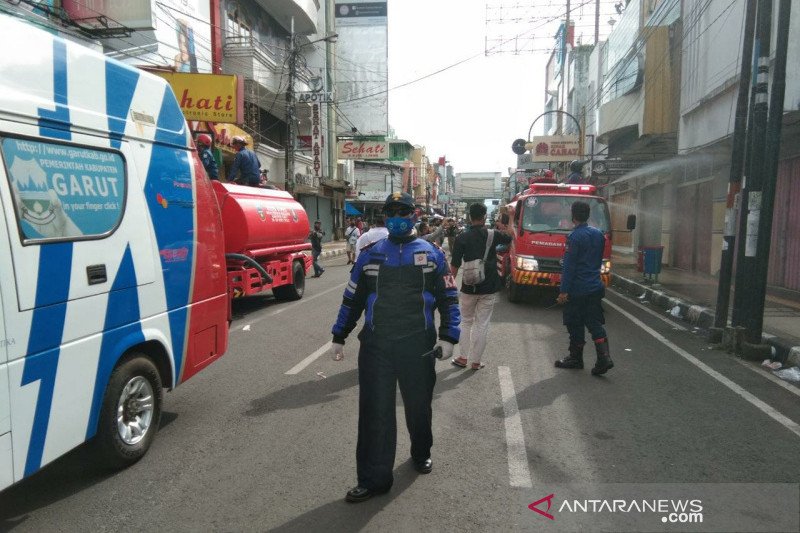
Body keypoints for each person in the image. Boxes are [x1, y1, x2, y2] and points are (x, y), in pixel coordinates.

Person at [330, 191, 461, 503]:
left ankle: (420, 452)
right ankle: (374, 479)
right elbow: (353, 299)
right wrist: (339, 335)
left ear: (414, 215)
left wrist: (449, 336)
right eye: (391, 213)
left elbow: (448, 299)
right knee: (375, 413)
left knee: (418, 407)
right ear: (385, 218)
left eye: (403, 212)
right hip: (377, 347)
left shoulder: (431, 253)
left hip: (419, 346)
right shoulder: (371, 254)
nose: (397, 218)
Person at [449, 202, 512, 370]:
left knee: (466, 322)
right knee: (482, 324)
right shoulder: (493, 234)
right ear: (485, 216)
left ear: (470, 216)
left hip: (469, 286)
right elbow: (510, 235)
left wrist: (448, 287)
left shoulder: (462, 237)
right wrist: (509, 218)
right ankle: (476, 362)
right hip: (489, 286)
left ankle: (463, 358)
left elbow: (454, 265)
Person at [554, 201, 614, 375]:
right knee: (594, 322)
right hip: (595, 286)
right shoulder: (598, 235)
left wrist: (563, 291)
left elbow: (569, 267)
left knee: (574, 323)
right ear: (588, 215)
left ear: (573, 215)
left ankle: (575, 358)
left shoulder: (574, 238)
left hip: (577, 289)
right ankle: (604, 358)